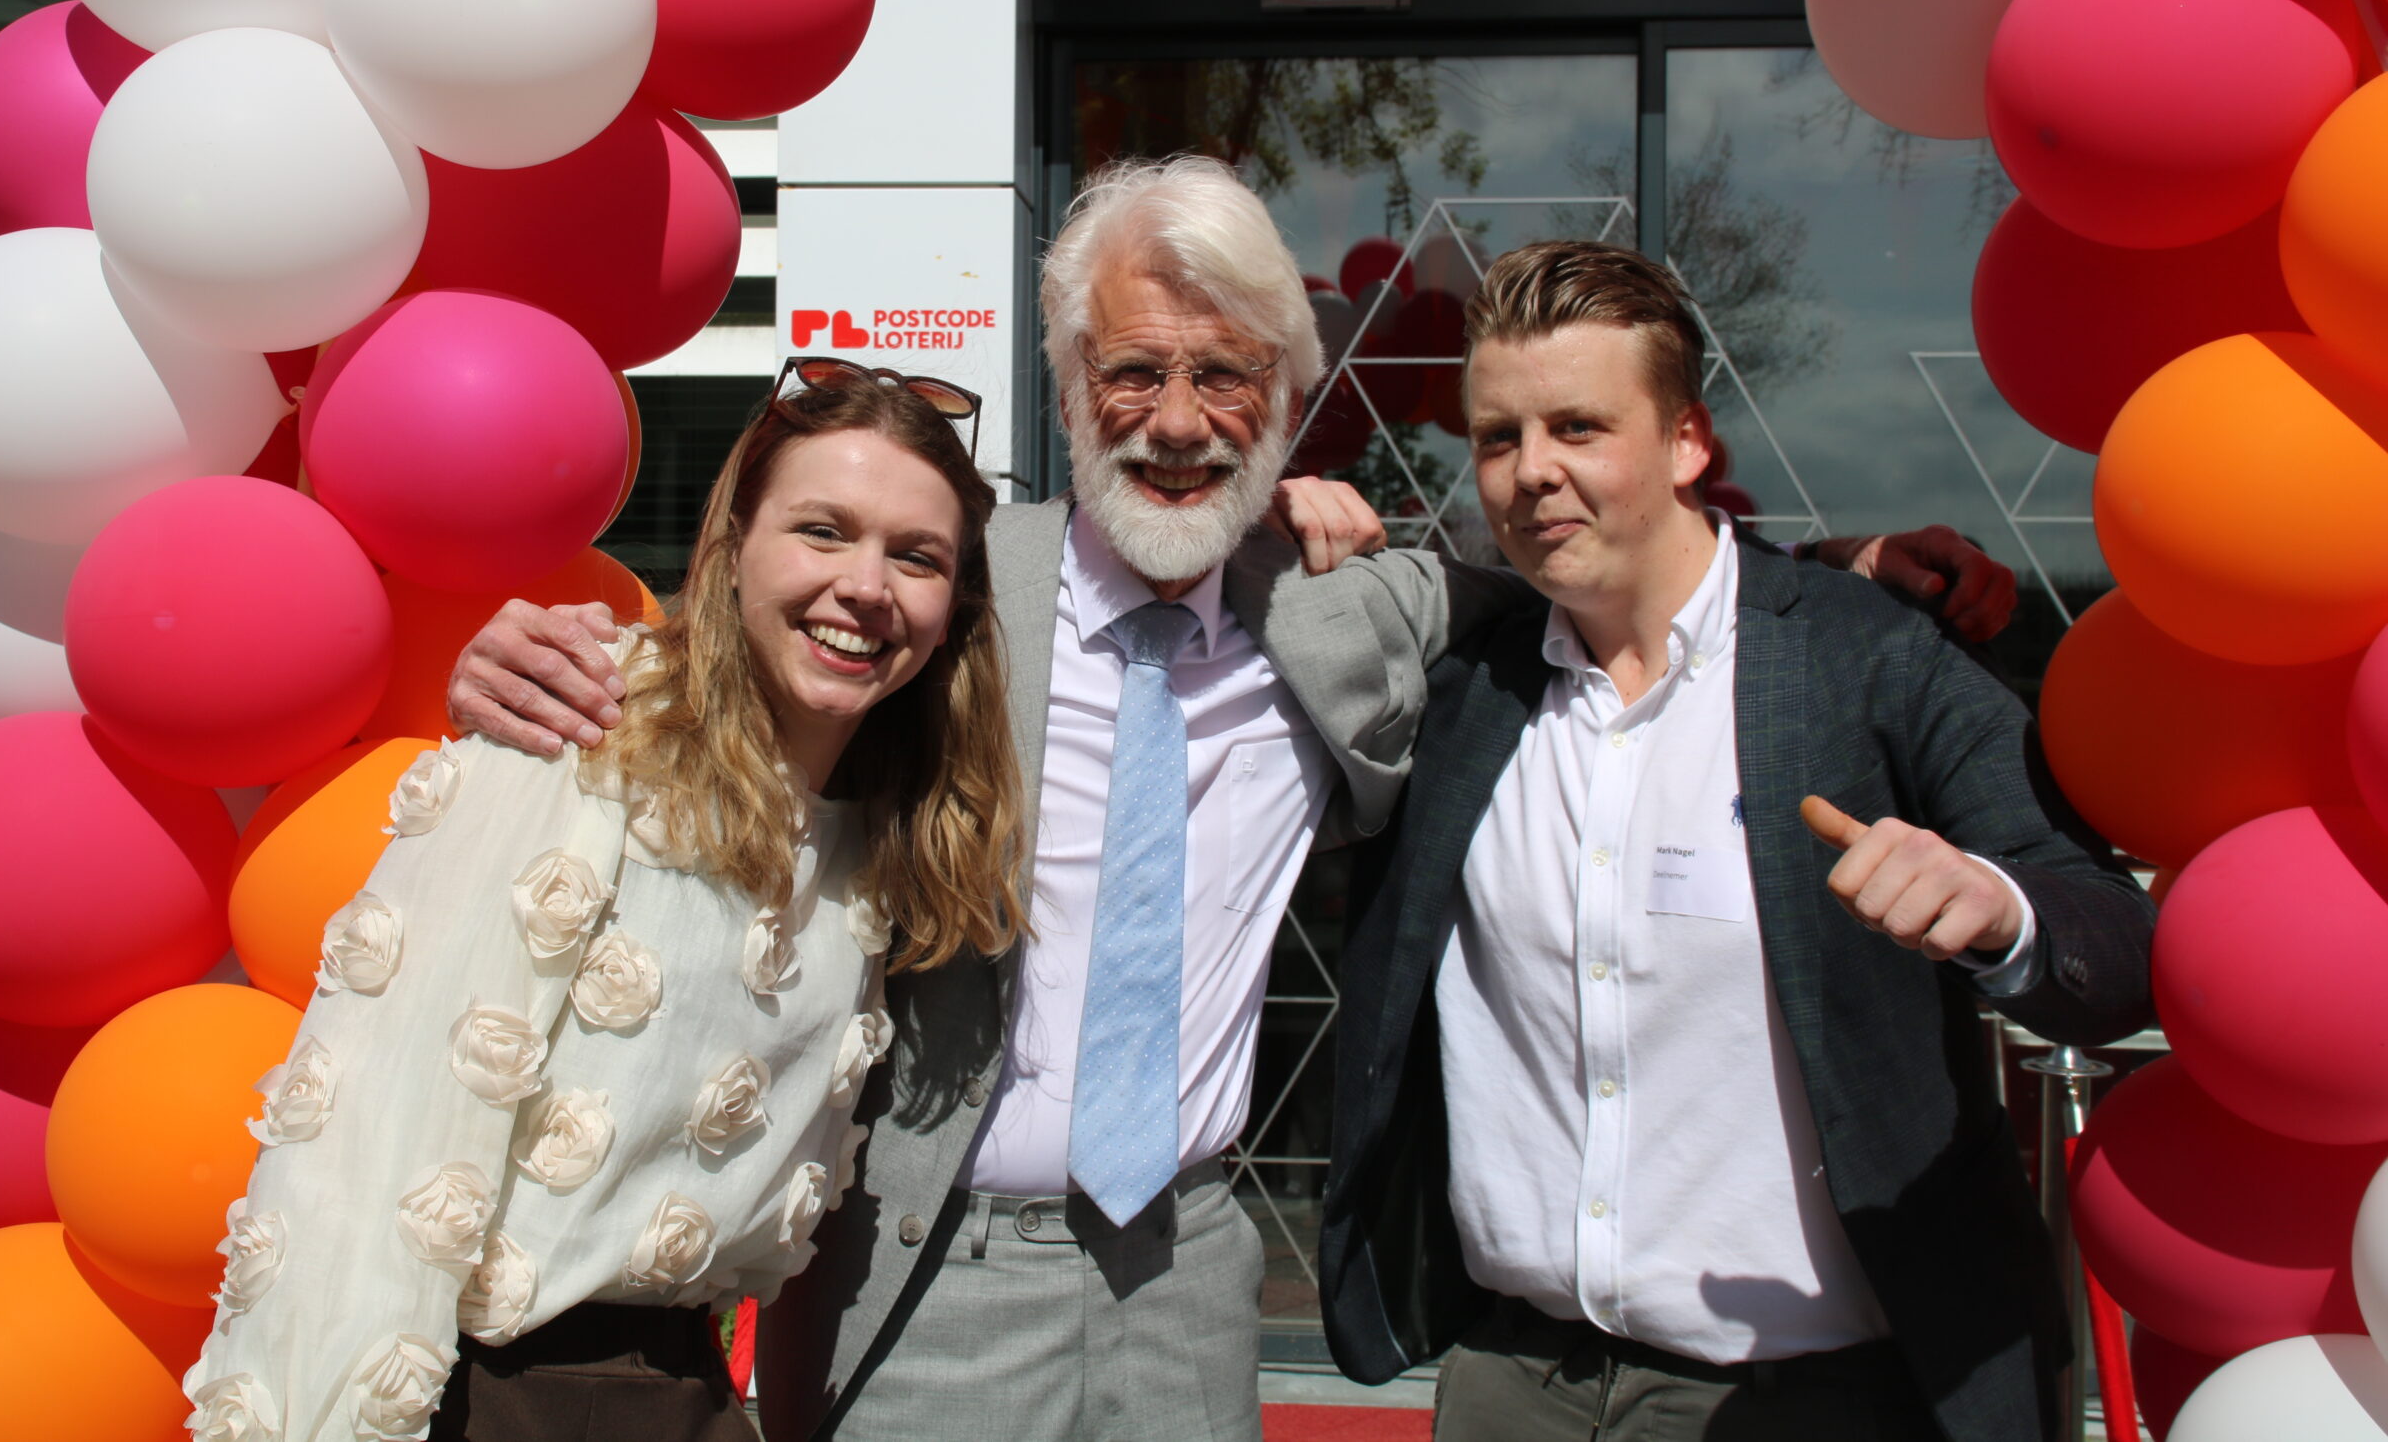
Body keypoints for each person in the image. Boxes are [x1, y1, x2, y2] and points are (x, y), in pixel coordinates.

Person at [446, 159, 2020, 1442]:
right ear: (1071, 382)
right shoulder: (948, 589)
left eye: (1225, 374)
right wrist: (543, 664)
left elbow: (1585, 567)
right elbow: (755, 664)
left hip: (1194, 1267)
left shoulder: (1346, 605)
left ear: (1285, 396)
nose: (1179, 419)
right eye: (1133, 369)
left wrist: (1843, 571)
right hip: (929, 1270)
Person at [1319, 242, 2155, 1442]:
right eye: (1497, 438)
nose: (1531, 473)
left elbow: (2113, 937)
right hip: (1510, 1381)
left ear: (1687, 443)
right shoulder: (1463, 693)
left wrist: (1996, 908)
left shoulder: (1862, 659)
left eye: (1578, 427)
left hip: (1803, 1398)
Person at [181, 365, 1026, 1442]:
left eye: (915, 557)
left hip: (695, 1389)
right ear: (730, 551)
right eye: (821, 530)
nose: (866, 585)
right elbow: (367, 1143)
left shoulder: (880, 834)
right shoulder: (584, 735)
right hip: (491, 1396)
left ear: (954, 609)